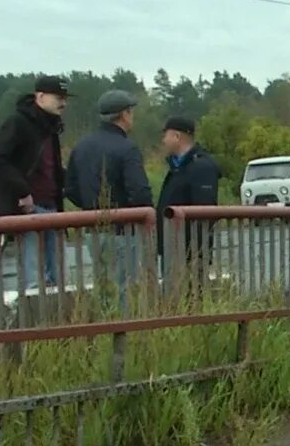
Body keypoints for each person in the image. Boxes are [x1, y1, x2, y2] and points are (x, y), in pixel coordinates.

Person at [0, 75, 69, 289]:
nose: (63, 103)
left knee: (59, 278)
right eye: (58, 97)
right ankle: (38, 320)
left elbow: (50, 166)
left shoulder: (51, 127)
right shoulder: (19, 122)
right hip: (29, 210)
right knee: (34, 279)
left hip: (52, 207)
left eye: (65, 98)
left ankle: (59, 320)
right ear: (40, 96)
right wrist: (22, 191)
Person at [68, 90, 152, 294]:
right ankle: (124, 325)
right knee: (126, 285)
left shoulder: (81, 146)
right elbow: (139, 192)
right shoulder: (127, 148)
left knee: (103, 285)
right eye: (131, 112)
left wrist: (91, 206)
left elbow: (70, 188)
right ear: (124, 114)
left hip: (93, 228)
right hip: (124, 230)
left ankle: (106, 324)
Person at [156, 115, 222, 272]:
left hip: (190, 253)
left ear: (177, 137)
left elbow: (205, 212)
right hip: (172, 248)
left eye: (166, 135)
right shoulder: (177, 167)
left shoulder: (201, 167)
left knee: (192, 293)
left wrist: (197, 253)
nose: (163, 140)